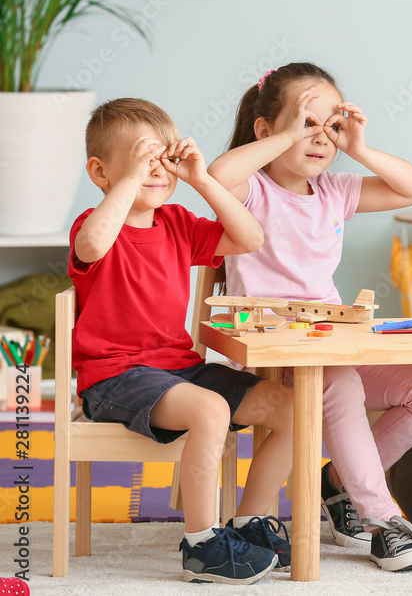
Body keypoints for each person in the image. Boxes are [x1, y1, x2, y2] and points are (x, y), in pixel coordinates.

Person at [208, 62, 412, 572]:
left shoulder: (336, 191)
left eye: (332, 126)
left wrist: (360, 148)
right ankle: (382, 521)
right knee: (339, 383)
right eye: (307, 124)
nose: (322, 137)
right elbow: (217, 175)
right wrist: (283, 137)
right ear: (265, 131)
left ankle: (340, 486)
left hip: (332, 346)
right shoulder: (251, 190)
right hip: (267, 356)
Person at [70, 98, 296, 584]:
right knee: (211, 408)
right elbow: (91, 246)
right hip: (113, 377)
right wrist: (129, 179)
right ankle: (202, 545)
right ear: (100, 171)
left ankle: (250, 521)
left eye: (161, 160)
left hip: (177, 368)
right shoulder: (94, 227)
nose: (155, 170)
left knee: (293, 408)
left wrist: (201, 179)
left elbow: (251, 237)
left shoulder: (176, 223)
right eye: (140, 160)